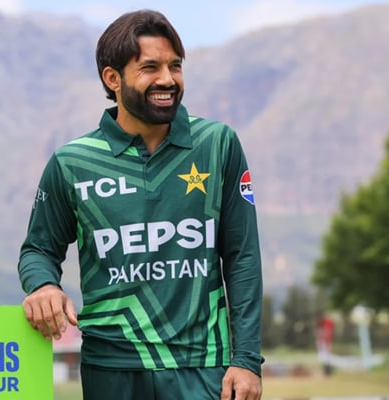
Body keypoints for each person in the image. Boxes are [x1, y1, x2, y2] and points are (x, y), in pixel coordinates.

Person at [18, 9, 264, 400]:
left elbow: (243, 257)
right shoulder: (73, 162)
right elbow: (38, 249)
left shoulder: (218, 144)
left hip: (201, 366)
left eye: (175, 66)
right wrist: (43, 284)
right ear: (112, 78)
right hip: (110, 369)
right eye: (150, 67)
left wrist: (247, 359)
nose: (168, 79)